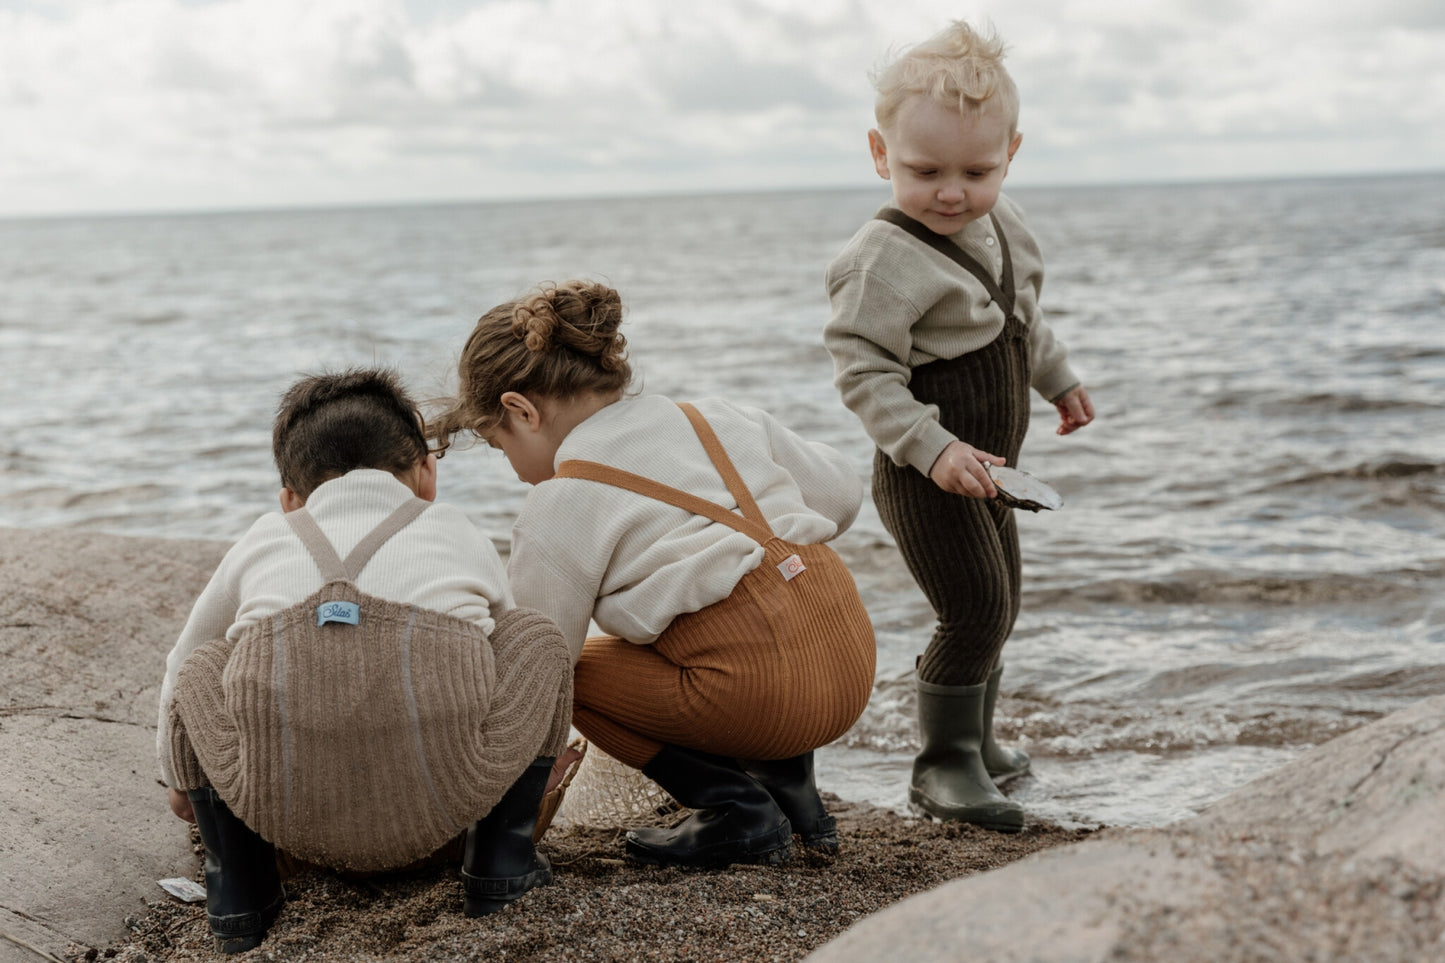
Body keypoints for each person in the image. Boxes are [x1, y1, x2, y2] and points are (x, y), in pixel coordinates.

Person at [429, 280, 876, 868]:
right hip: (849, 662)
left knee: (577, 674)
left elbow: (542, 666)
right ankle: (795, 794)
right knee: (709, 617)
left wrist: (500, 821)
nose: (513, 470)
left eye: (497, 443)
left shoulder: (561, 501)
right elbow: (841, 497)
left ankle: (737, 807)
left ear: (521, 410)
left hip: (768, 696)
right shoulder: (714, 416)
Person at [155, 368, 573, 953]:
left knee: (204, 662)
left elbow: (181, 669)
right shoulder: (454, 529)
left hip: (280, 806)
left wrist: (181, 784)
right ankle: (500, 867)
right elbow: (506, 649)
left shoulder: (263, 536)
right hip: (448, 793)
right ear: (426, 474)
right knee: (535, 635)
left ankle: (240, 897)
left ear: (290, 499)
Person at [823, 20, 1095, 832]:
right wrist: (931, 447)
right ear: (880, 154)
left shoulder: (1004, 223)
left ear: (1011, 152)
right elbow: (861, 372)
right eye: (923, 170)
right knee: (970, 605)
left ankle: (975, 740)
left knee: (1001, 598)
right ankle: (939, 765)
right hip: (925, 472)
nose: (951, 191)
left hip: (993, 469)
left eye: (976, 171)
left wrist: (1059, 379)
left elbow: (1023, 319)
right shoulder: (881, 259)